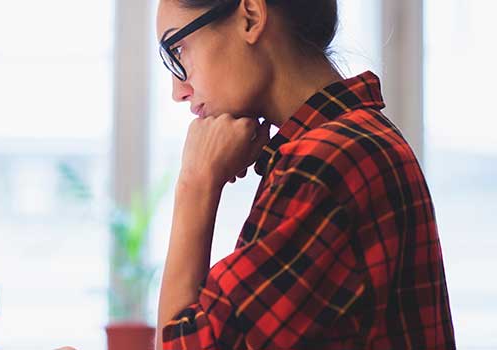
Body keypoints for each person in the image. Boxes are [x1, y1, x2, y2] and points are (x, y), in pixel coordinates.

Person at [153, 0, 456, 349]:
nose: (179, 91)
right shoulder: (351, 141)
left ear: (250, 17)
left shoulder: (324, 166)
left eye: (177, 50)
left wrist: (195, 184)